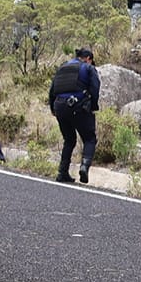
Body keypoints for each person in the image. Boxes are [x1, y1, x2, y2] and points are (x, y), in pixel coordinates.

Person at [47, 45, 100, 184]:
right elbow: (95, 88)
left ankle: (62, 172)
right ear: (88, 58)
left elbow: (52, 89)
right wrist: (93, 106)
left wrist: (53, 108)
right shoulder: (88, 68)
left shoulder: (63, 67)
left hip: (59, 106)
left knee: (69, 140)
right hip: (77, 106)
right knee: (89, 139)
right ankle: (84, 167)